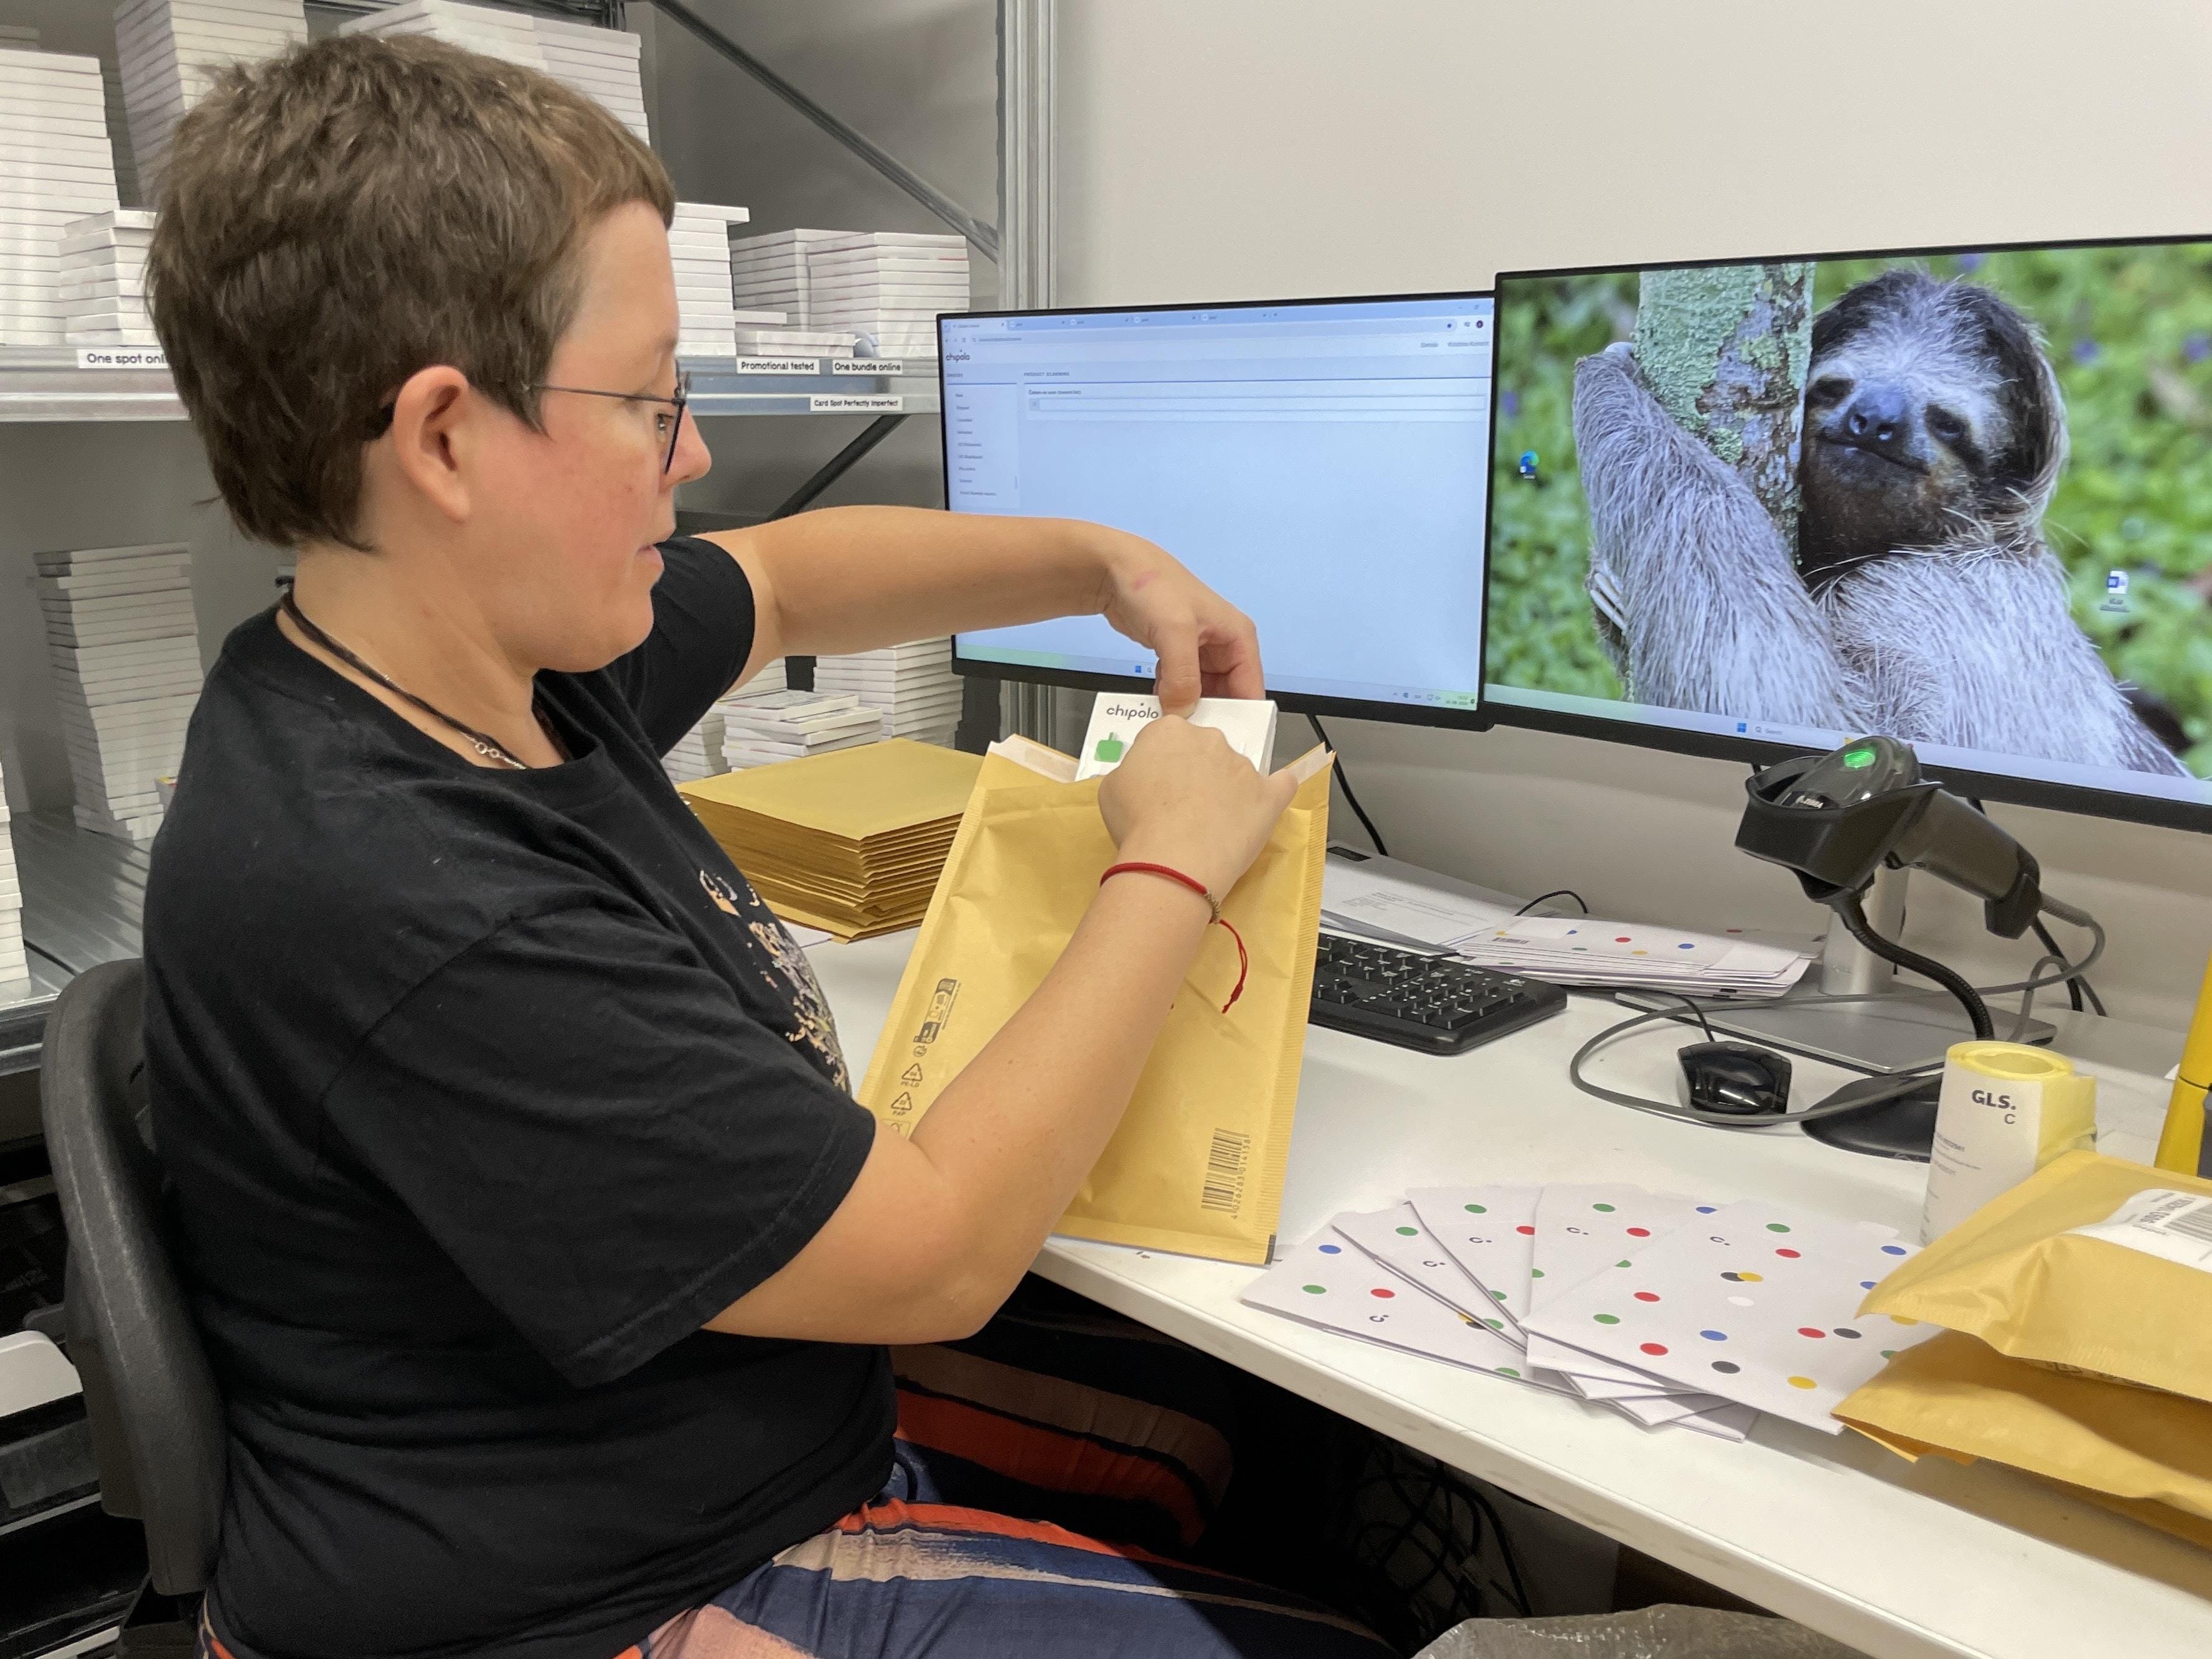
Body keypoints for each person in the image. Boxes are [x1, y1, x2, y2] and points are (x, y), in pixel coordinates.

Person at [142, 32, 1388, 1659]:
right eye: (653, 403)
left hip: (681, 1422)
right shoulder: (396, 889)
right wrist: (1165, 862)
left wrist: (1102, 561)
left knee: (1264, 1432)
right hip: (590, 1588)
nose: (699, 454)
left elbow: (791, 579)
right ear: (445, 439)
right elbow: (936, 1255)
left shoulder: (471, 661)